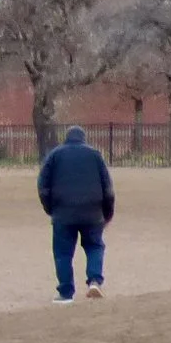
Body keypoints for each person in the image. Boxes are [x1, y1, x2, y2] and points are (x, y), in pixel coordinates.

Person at [37, 124, 114, 302]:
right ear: (83, 138)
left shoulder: (55, 155)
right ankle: (95, 280)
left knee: (63, 253)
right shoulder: (95, 155)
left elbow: (43, 185)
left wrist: (50, 208)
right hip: (93, 212)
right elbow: (108, 188)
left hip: (63, 212)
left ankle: (65, 292)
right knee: (95, 246)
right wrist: (107, 213)